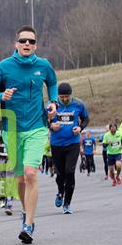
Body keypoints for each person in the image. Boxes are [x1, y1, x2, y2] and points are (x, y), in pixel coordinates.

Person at [0, 26, 57, 242]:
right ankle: (25, 211)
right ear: (16, 44)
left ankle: (29, 224)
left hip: (36, 127)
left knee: (30, 173)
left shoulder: (43, 65)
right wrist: (0, 96)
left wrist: (53, 102)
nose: (27, 44)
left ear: (35, 46)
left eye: (31, 41)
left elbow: (52, 83)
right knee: (20, 178)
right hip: (12, 129)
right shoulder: (5, 66)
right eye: (23, 40)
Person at [48, 82, 89, 214]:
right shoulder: (52, 105)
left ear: (71, 95)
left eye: (67, 97)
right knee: (60, 174)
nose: (64, 99)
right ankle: (60, 191)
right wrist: (51, 126)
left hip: (72, 143)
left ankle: (67, 203)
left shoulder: (78, 104)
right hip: (56, 144)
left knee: (70, 172)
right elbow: (43, 119)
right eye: (62, 97)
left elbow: (85, 119)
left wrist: (80, 128)